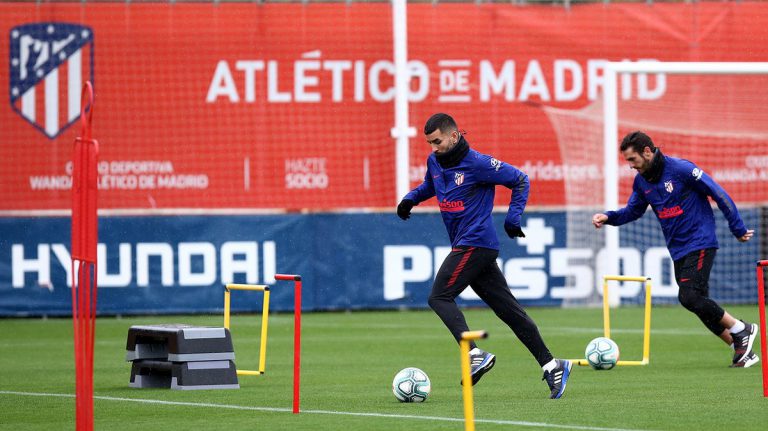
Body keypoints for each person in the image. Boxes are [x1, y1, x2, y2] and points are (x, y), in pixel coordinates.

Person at [397, 113, 572, 399]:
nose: (433, 148)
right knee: (509, 311)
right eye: (429, 143)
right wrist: (410, 199)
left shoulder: (478, 164)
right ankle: (553, 365)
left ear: (453, 136)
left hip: (475, 243)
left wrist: (513, 218)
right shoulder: (435, 161)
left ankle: (474, 353)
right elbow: (431, 184)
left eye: (437, 141)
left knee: (439, 296)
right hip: (468, 245)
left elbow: (520, 179)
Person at [592, 131, 759, 368]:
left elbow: (717, 192)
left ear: (647, 152)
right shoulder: (641, 182)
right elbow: (633, 211)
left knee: (689, 296)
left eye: (632, 160)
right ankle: (740, 349)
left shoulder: (681, 169)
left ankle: (742, 328)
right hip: (678, 249)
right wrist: (608, 217)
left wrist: (737, 227)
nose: (630, 166)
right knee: (698, 303)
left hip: (700, 241)